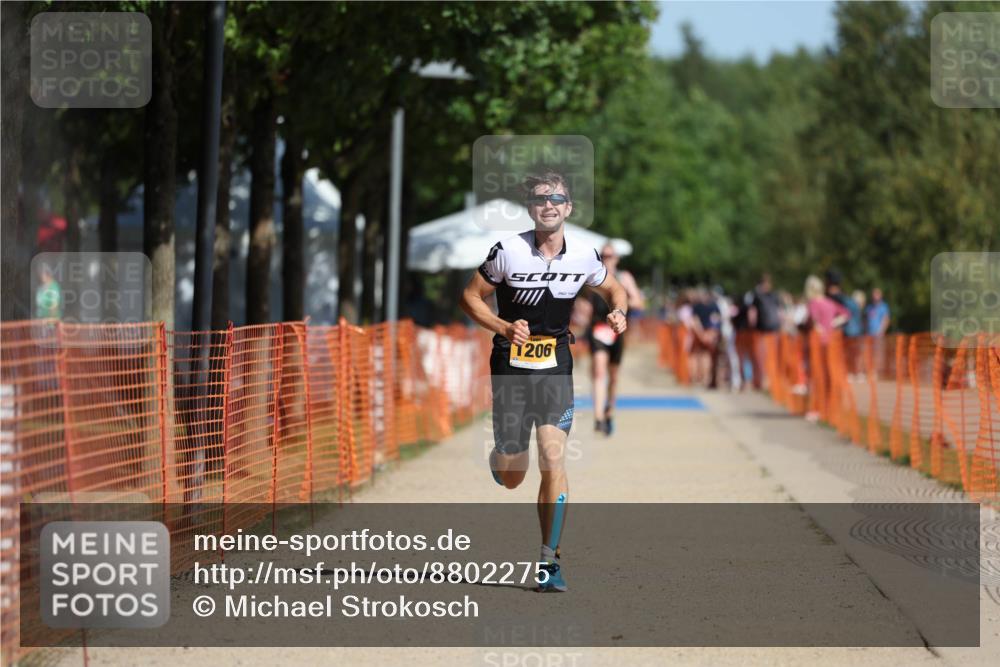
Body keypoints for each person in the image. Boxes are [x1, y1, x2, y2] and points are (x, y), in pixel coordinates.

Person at [460, 171, 628, 593]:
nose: (548, 204)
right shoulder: (508, 251)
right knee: (514, 473)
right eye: (540, 199)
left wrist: (618, 311)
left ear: (568, 207)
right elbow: (469, 297)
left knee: (554, 459)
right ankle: (503, 454)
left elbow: (614, 289)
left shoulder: (584, 255)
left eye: (557, 198)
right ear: (531, 208)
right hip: (511, 367)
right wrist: (502, 326)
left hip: (556, 364)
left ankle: (548, 562)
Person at [585, 242, 643, 435]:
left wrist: (622, 300)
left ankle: (610, 409)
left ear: (617, 259)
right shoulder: (592, 276)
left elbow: (639, 302)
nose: (606, 259)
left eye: (609, 256)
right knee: (599, 369)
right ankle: (599, 417)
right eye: (603, 255)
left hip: (617, 330)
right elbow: (581, 301)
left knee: (614, 376)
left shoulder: (624, 278)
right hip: (597, 328)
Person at [803, 275, 849, 422]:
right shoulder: (829, 303)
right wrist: (833, 324)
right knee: (829, 375)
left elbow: (814, 321)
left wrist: (820, 328)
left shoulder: (813, 303)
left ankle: (816, 409)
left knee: (817, 376)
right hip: (831, 343)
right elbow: (846, 314)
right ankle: (829, 407)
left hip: (818, 344)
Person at [749, 273, 781, 390]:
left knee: (764, 357)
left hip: (766, 331)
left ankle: (765, 380)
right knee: (765, 357)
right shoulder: (771, 296)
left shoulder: (759, 296)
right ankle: (764, 381)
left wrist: (752, 325)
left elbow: (752, 314)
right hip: (767, 331)